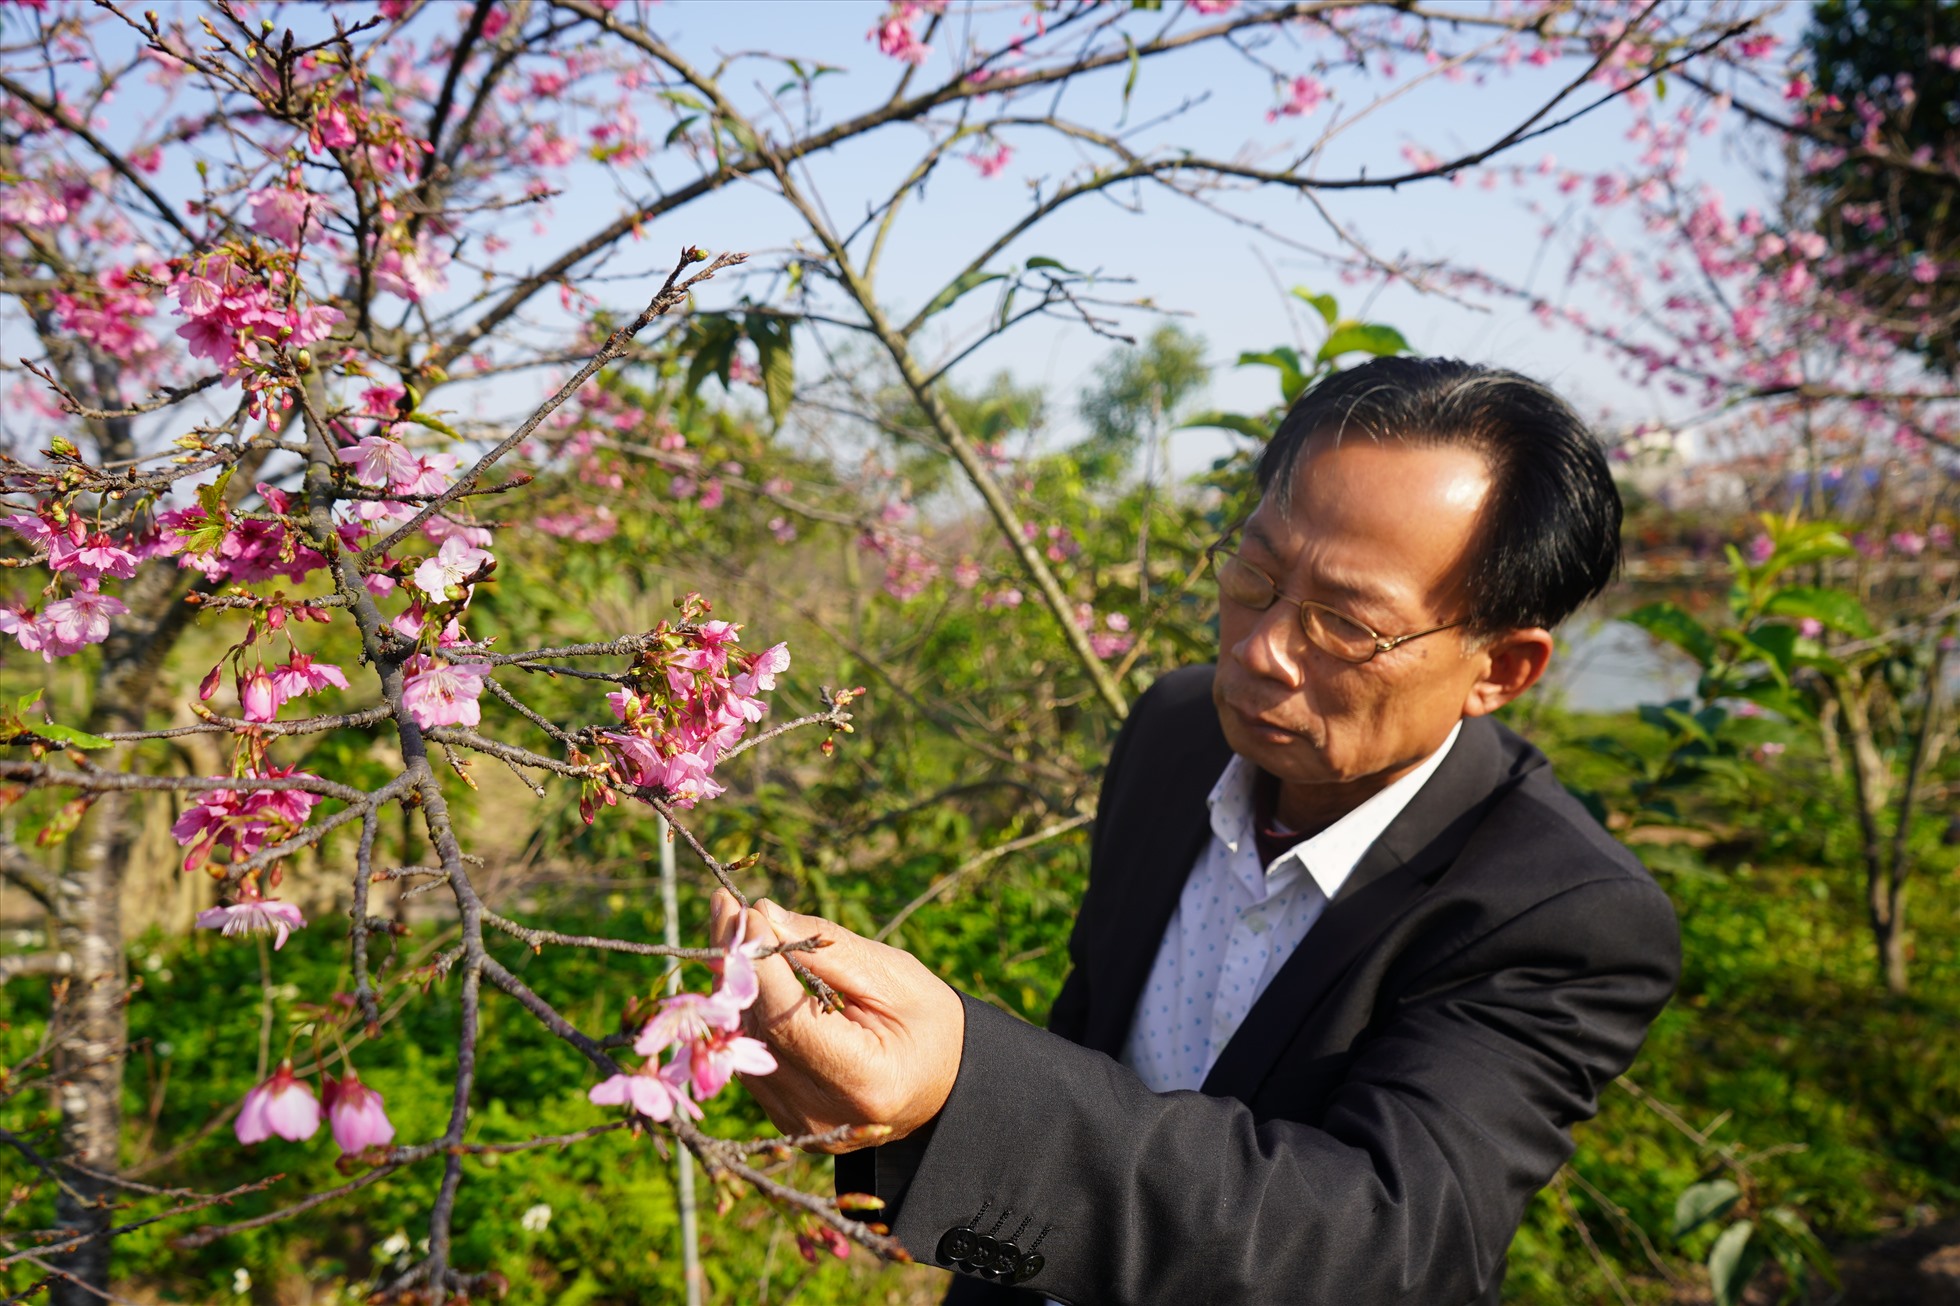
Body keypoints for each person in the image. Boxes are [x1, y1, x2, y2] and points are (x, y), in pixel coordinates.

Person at [712, 356, 1681, 1306]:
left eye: (1346, 626)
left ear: (1500, 669)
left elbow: (1388, 1240)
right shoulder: (1177, 733)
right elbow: (1095, 1022)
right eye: (1253, 576)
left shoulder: (1560, 913)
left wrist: (964, 1092)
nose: (1260, 652)